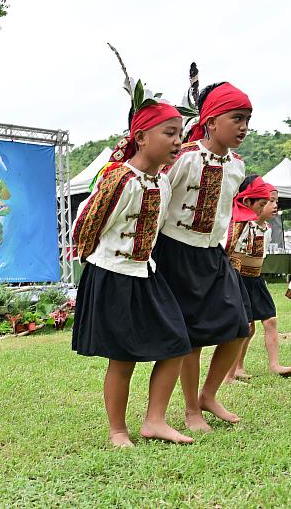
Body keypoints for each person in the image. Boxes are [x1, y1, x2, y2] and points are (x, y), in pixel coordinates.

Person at [73, 96, 193, 447]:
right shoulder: (119, 180)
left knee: (176, 343)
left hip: (146, 273)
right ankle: (117, 430)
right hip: (112, 274)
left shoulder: (164, 182)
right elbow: (85, 226)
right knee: (123, 358)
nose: (177, 141)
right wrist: (101, 267)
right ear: (140, 137)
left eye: (180, 133)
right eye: (169, 132)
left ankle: (155, 420)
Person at [152, 81, 252, 432]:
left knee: (240, 325)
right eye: (236, 118)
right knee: (190, 337)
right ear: (210, 121)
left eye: (247, 119)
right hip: (175, 252)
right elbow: (159, 203)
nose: (243, 126)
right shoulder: (184, 158)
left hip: (213, 254)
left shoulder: (238, 166)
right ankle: (191, 411)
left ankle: (209, 395)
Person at [225, 182, 291, 381]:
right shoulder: (240, 224)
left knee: (270, 320)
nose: (274, 205)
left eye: (275, 201)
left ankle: (274, 364)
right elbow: (227, 250)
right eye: (269, 201)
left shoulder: (265, 228)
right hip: (238, 279)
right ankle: (231, 373)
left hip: (256, 279)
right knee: (246, 326)